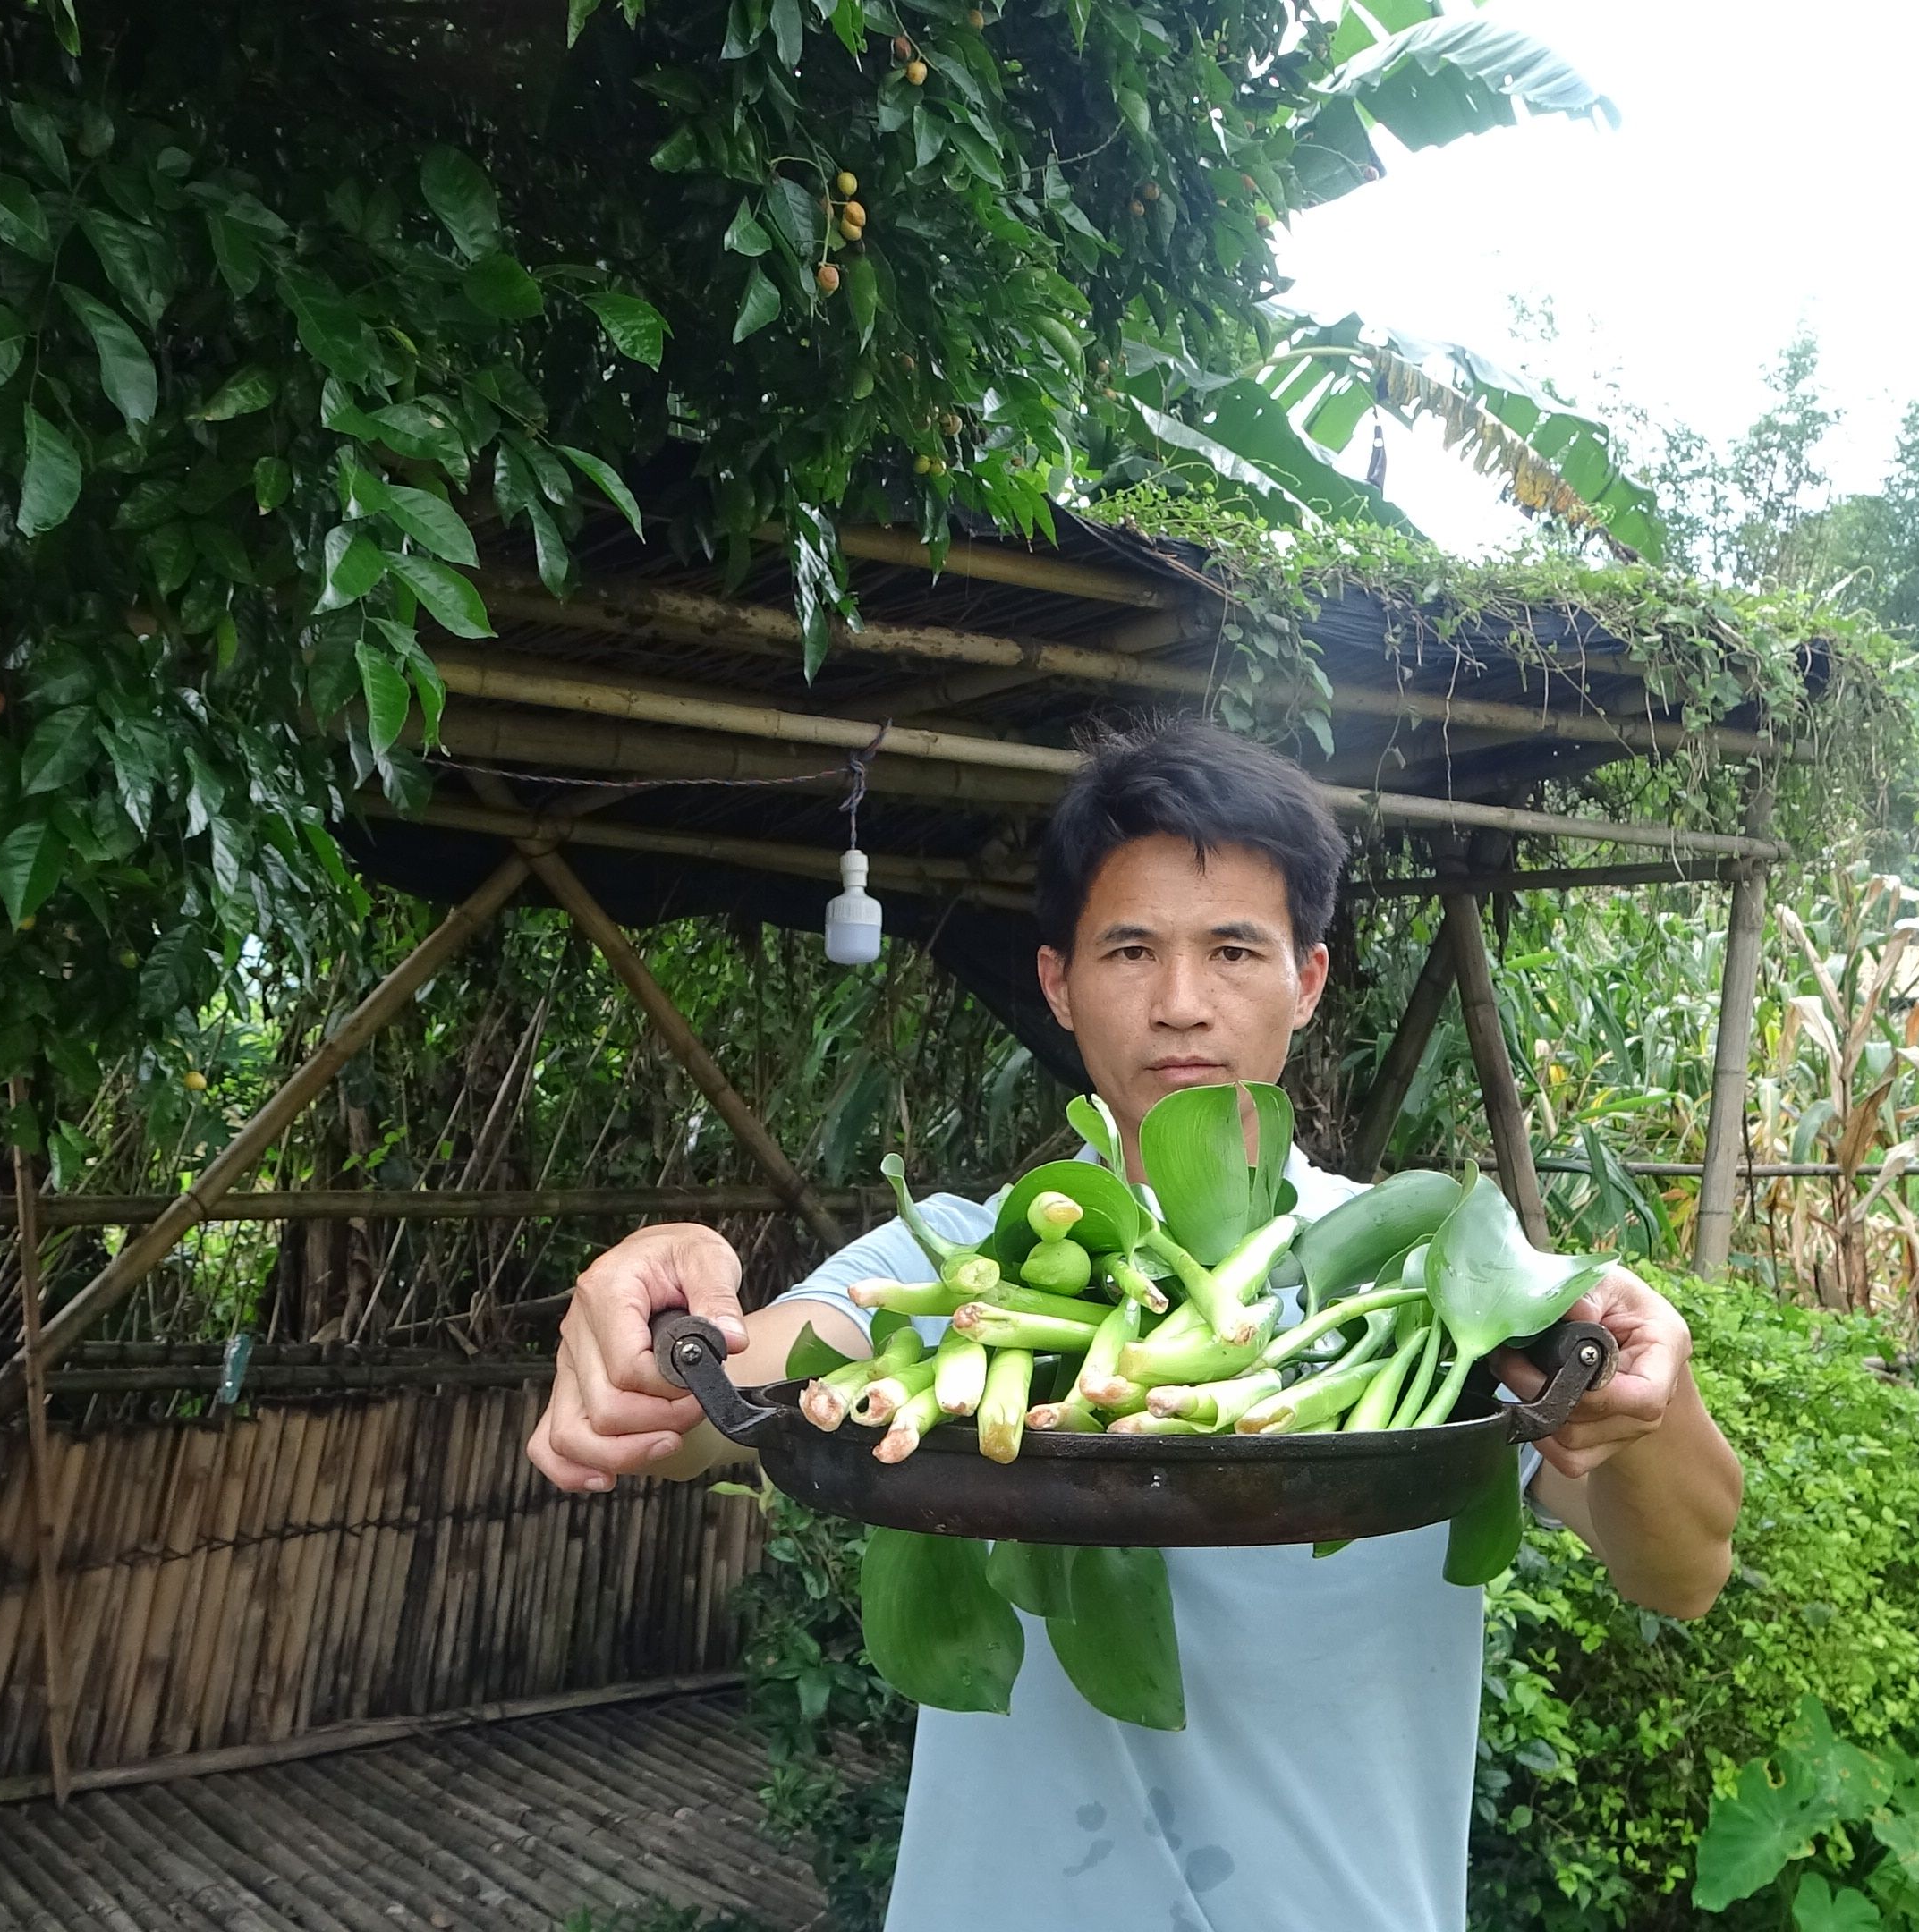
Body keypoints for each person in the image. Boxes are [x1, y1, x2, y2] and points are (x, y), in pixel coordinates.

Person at [529, 716, 1744, 1932]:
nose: (1179, 1004)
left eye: (1232, 951)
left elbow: (1684, 1572)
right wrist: (663, 1310)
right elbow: (729, 1391)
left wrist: (1653, 1396)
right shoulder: (955, 1261)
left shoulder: (1449, 1275)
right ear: (1059, 983)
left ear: (1306, 980)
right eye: (1127, 952)